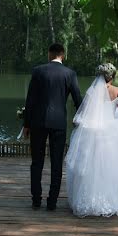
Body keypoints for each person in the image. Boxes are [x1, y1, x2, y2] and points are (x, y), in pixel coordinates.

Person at [65, 63, 118, 217]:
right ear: (113, 76)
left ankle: (89, 198)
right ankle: (114, 197)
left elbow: (86, 111)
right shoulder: (117, 91)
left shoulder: (92, 91)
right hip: (112, 131)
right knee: (114, 164)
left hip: (93, 131)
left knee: (92, 165)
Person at [23, 43, 83, 210]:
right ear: (62, 55)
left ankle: (36, 200)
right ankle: (52, 202)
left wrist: (26, 124)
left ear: (49, 54)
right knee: (56, 163)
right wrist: (85, 119)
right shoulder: (70, 74)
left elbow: (30, 100)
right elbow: (78, 100)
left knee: (37, 162)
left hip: (38, 122)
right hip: (58, 123)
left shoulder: (38, 71)